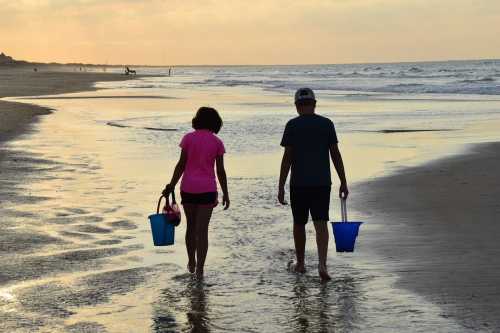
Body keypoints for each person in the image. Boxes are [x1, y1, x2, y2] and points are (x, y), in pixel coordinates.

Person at [278, 88, 348, 281]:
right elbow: (335, 154)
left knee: (299, 224)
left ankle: (300, 264)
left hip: (299, 184)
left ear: (296, 106)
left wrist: (280, 186)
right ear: (314, 104)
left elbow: (287, 159)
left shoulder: (292, 125)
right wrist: (343, 181)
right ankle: (322, 265)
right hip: (322, 183)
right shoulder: (326, 124)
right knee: (321, 223)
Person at [163, 107, 230, 279]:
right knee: (203, 231)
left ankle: (191, 261)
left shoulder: (188, 139)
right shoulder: (217, 142)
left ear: (197, 120)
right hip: (207, 190)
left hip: (188, 188)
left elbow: (181, 165)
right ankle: (200, 269)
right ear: (215, 122)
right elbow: (220, 171)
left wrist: (171, 184)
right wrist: (226, 194)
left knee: (191, 227)